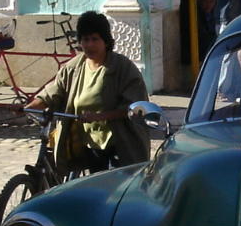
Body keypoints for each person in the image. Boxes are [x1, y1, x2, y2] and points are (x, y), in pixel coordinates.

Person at [26, 10, 151, 170]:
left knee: (117, 188)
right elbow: (52, 93)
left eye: (95, 39)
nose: (90, 45)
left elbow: (135, 106)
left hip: (119, 143)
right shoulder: (73, 67)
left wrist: (101, 116)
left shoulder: (124, 68)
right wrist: (28, 107)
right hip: (88, 142)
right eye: (85, 40)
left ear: (105, 41)